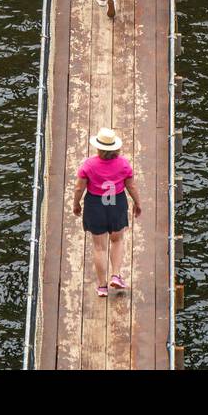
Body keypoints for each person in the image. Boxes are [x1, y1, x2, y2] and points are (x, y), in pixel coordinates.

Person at [71, 127, 142, 297]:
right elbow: (131, 186)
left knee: (99, 247)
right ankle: (116, 275)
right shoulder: (123, 164)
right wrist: (137, 203)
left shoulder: (89, 165)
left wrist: (76, 204)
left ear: (98, 147)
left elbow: (79, 187)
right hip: (116, 203)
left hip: (95, 205)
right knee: (117, 241)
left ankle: (102, 286)